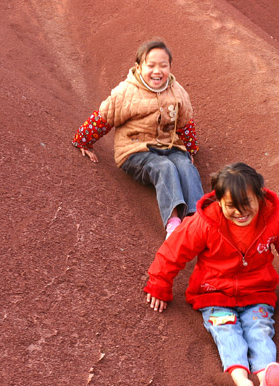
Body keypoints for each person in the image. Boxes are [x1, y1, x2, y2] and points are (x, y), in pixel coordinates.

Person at [143, 162, 279, 386]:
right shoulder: (205, 223)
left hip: (256, 292)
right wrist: (160, 285)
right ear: (219, 202)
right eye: (232, 206)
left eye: (248, 205)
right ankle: (242, 382)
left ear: (260, 197)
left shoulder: (272, 219)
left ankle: (266, 375)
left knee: (260, 329)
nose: (241, 213)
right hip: (215, 294)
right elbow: (174, 251)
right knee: (227, 332)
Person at [72, 39, 204, 239]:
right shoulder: (126, 92)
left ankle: (198, 219)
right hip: (135, 151)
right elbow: (104, 118)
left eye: (163, 65)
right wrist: (83, 141)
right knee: (164, 167)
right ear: (138, 67)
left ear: (170, 67)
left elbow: (185, 123)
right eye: (150, 65)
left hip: (169, 145)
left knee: (185, 166)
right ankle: (174, 224)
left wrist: (190, 150)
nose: (157, 71)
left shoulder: (177, 91)